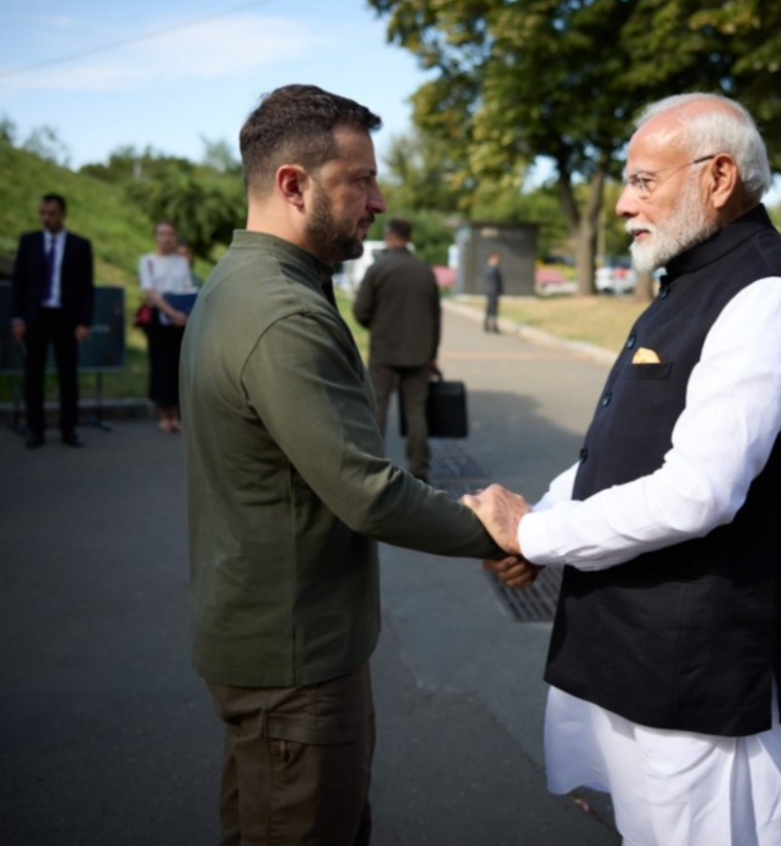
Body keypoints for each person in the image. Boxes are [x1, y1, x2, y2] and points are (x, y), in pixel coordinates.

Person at [464, 93, 781, 846]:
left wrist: (535, 535)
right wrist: (539, 523)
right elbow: (618, 450)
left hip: (705, 668)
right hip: (641, 650)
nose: (624, 204)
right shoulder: (691, 279)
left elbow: (697, 493)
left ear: (719, 177)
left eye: (643, 181)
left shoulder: (766, 294)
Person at [179, 84, 506, 846]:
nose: (379, 201)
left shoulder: (245, 284)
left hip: (268, 638)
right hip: (294, 662)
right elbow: (368, 492)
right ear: (294, 185)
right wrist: (495, 532)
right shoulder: (282, 313)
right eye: (359, 180)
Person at [352, 217, 441, 481]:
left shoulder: (378, 269)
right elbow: (435, 317)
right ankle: (419, 469)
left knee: (377, 406)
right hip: (418, 351)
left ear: (389, 236)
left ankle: (375, 467)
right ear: (409, 237)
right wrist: (431, 353)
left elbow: (360, 311)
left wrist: (377, 326)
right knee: (416, 410)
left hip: (384, 348)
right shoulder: (424, 271)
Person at [11, 193, 93, 448]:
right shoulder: (29, 242)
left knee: (68, 376)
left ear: (63, 214)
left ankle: (69, 429)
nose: (46, 218)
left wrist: (84, 322)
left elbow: (85, 288)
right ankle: (36, 429)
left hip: (65, 318)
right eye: (43, 213)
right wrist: (17, 317)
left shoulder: (79, 245)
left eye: (52, 214)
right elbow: (19, 282)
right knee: (33, 375)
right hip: (36, 317)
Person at [138, 220, 196, 434]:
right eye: (162, 234)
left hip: (180, 319)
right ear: (156, 237)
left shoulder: (182, 261)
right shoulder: (148, 261)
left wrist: (184, 313)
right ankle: (163, 414)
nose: (166, 238)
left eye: (170, 234)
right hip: (160, 319)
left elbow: (186, 287)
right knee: (160, 366)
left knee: (178, 366)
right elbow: (150, 292)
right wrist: (170, 312)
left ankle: (176, 414)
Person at [483, 251, 502, 333]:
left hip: (494, 291)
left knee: (493, 309)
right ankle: (490, 325)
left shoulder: (493, 268)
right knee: (491, 309)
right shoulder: (490, 268)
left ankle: (491, 324)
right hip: (492, 291)